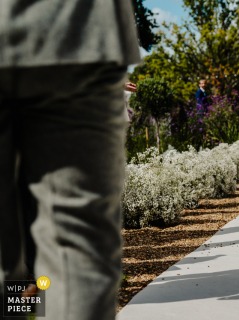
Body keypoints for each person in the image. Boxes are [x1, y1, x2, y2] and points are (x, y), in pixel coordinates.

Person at [0, 1, 140, 320]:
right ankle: (30, 296)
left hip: (79, 44)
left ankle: (25, 297)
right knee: (74, 244)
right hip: (77, 33)